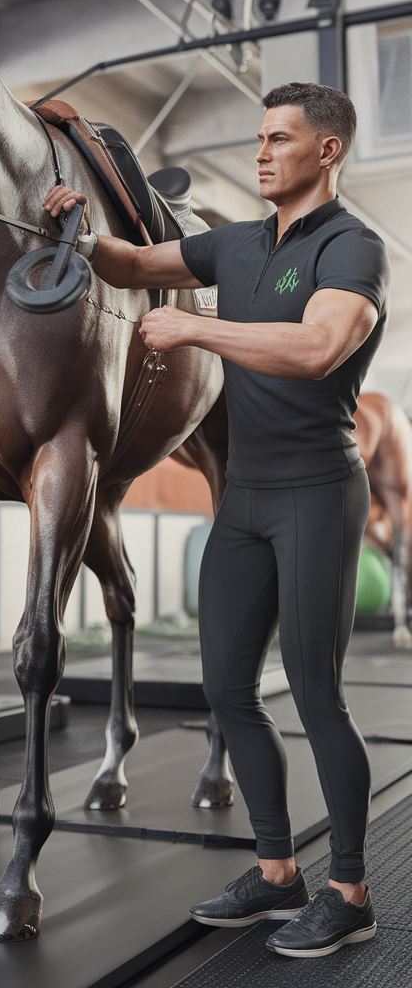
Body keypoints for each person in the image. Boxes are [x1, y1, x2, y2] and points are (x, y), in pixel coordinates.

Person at [42, 81, 390, 959]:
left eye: (280, 139)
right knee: (228, 690)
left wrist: (196, 333)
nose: (263, 151)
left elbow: (315, 348)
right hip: (245, 498)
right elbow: (129, 265)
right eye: (259, 138)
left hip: (318, 490)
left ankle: (349, 892)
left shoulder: (355, 249)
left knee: (315, 695)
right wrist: (74, 229)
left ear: (329, 151)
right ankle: (278, 873)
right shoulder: (234, 244)